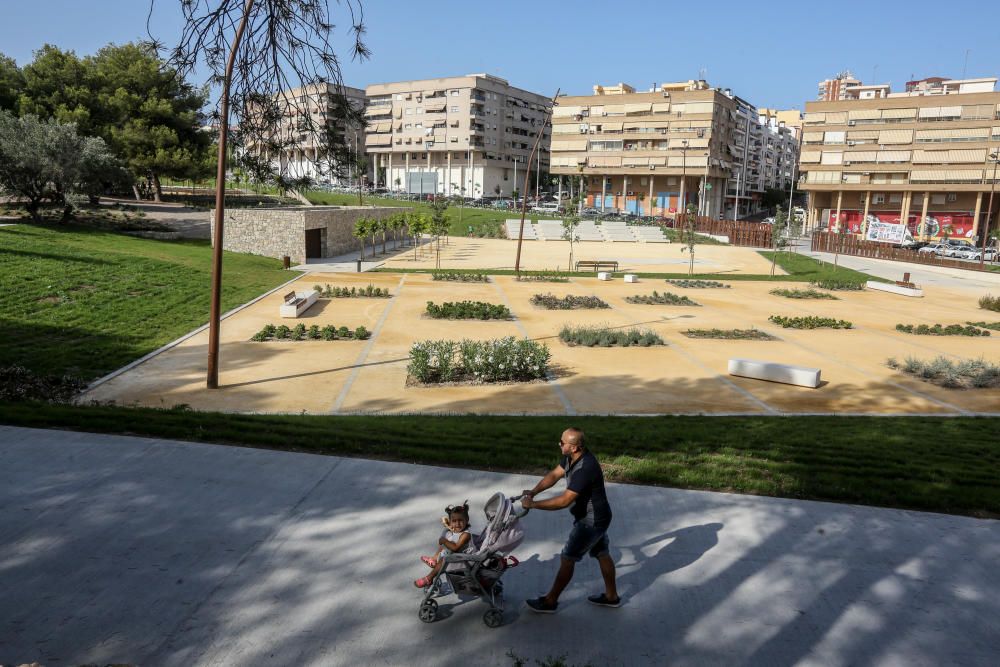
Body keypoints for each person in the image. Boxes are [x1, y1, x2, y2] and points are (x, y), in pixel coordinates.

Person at [521, 427, 620, 613]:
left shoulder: (586, 468)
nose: (559, 444)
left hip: (591, 521)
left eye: (562, 442)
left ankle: (550, 602)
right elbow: (553, 475)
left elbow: (564, 501)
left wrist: (533, 505)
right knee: (601, 553)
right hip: (599, 517)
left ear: (574, 447)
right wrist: (533, 492)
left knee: (568, 558)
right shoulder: (570, 458)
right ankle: (612, 597)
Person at [414, 501, 474, 588]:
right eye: (454, 521)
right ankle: (434, 559)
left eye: (460, 520)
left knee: (445, 556)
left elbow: (456, 548)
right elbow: (450, 540)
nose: (457, 524)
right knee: (448, 539)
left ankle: (429, 578)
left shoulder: (465, 534)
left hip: (465, 558)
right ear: (450, 522)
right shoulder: (455, 530)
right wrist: (447, 534)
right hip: (455, 554)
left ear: (467, 520)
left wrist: (444, 541)